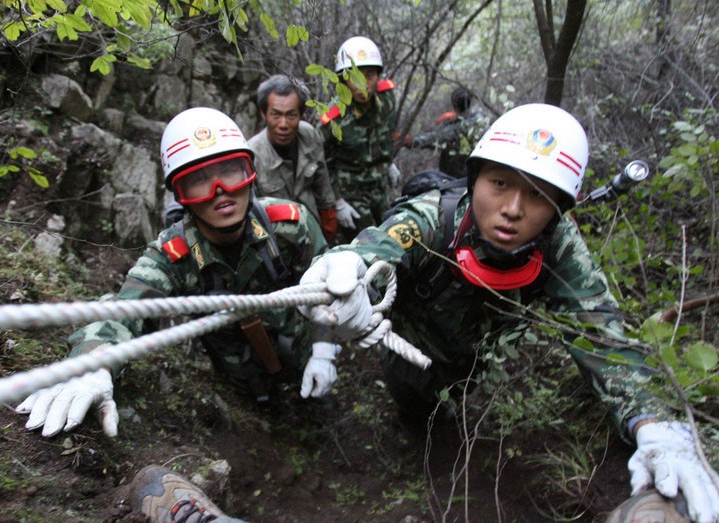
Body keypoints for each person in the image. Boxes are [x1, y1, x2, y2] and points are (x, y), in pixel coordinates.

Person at [299, 103, 719, 522]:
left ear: (558, 208)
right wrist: (347, 268)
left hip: (472, 365)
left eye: (538, 193)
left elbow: (602, 335)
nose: (514, 209)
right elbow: (380, 246)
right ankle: (416, 435)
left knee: (448, 409)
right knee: (412, 408)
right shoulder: (434, 217)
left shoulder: (559, 248)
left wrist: (653, 424)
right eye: (499, 183)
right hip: (407, 353)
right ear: (475, 179)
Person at [15, 107, 340, 439]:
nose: (219, 191)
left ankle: (317, 408)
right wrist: (92, 365)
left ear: (250, 173)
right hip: (237, 362)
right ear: (180, 195)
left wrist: (324, 350)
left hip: (299, 342)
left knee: (315, 391)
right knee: (258, 401)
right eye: (198, 180)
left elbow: (329, 288)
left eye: (231, 172)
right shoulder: (172, 256)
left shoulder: (290, 225)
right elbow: (124, 311)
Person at [317, 35, 398, 242]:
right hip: (352, 196)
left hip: (381, 190)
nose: (363, 85)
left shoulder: (387, 100)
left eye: (369, 76)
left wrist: (389, 163)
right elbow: (323, 165)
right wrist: (338, 202)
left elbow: (386, 134)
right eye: (354, 77)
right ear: (343, 79)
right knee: (368, 248)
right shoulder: (333, 119)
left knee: (393, 239)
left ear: (378, 76)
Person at [248, 74, 339, 244]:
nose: (283, 124)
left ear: (301, 115)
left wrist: (330, 220)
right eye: (276, 115)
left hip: (313, 233)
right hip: (276, 241)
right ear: (263, 114)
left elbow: (322, 185)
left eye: (291, 115)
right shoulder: (253, 155)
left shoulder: (310, 136)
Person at [405, 86, 489, 178]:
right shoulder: (483, 121)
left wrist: (409, 140)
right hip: (480, 176)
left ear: (455, 106)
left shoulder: (455, 129)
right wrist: (455, 118)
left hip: (457, 180)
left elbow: (433, 139)